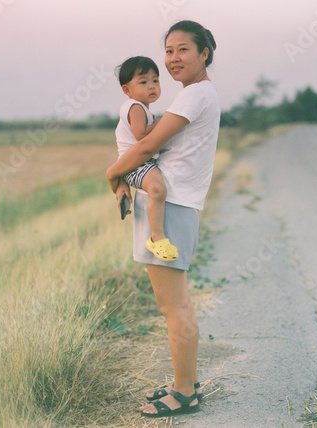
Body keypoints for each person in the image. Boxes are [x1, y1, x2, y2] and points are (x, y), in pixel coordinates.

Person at [106, 20, 219, 417]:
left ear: (204, 53)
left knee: (175, 307)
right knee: (175, 304)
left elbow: (149, 144)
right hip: (171, 203)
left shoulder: (193, 96)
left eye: (183, 49)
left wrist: (111, 174)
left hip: (172, 206)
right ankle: (182, 382)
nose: (173, 58)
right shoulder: (196, 94)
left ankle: (185, 392)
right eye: (169, 51)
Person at [114, 56, 178, 261]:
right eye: (143, 82)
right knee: (157, 190)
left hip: (140, 162)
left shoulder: (140, 107)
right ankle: (157, 238)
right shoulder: (135, 107)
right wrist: (162, 123)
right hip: (135, 164)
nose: (151, 86)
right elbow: (141, 136)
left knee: (159, 189)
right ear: (127, 90)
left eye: (155, 81)